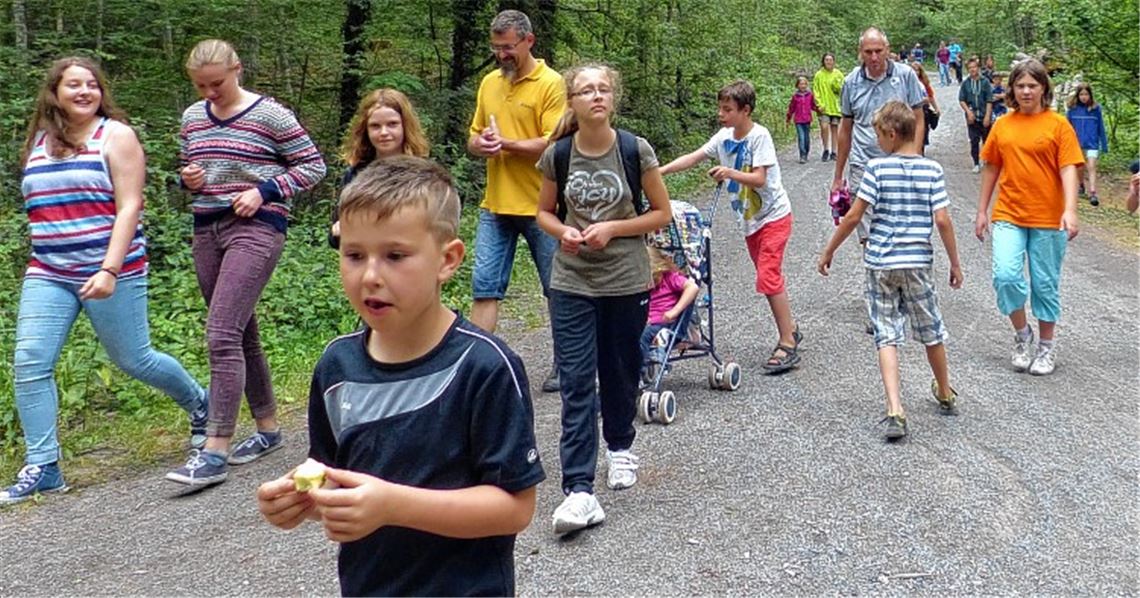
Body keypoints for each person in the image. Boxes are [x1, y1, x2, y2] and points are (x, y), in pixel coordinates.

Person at [256, 157, 543, 596]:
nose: (370, 275)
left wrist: (392, 506)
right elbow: (338, 477)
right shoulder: (336, 367)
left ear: (447, 260)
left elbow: (515, 508)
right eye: (354, 255)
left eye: (395, 256)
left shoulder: (483, 366)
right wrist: (302, 499)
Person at [1, 57, 208, 505]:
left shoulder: (116, 136)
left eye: (91, 84)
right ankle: (45, 466)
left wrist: (109, 269)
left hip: (111, 267)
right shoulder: (40, 141)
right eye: (73, 84)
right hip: (48, 271)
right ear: (54, 92)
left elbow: (130, 207)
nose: (83, 91)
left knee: (135, 359)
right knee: (30, 361)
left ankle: (201, 405)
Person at [167, 39, 327, 486]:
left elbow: (313, 166)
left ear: (237, 69)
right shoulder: (193, 118)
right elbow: (191, 168)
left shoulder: (270, 114)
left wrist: (265, 191)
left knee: (220, 333)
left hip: (257, 227)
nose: (208, 93)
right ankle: (268, 428)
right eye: (200, 86)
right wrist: (187, 178)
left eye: (216, 83)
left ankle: (213, 449)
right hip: (207, 227)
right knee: (241, 329)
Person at [535, 63, 672, 536]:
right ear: (571, 101)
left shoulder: (635, 150)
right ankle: (577, 487)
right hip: (571, 279)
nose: (595, 97)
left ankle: (619, 446)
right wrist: (564, 232)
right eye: (585, 91)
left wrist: (613, 227)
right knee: (575, 380)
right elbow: (543, 213)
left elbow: (661, 213)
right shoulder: (558, 154)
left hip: (625, 278)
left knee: (619, 369)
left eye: (602, 90)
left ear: (613, 99)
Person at [818, 101, 963, 440]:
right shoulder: (932, 170)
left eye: (879, 135)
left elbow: (854, 216)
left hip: (881, 264)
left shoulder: (876, 169)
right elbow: (942, 220)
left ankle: (895, 409)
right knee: (931, 329)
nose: (877, 141)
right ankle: (944, 390)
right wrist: (955, 263)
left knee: (886, 334)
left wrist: (829, 250)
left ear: (893, 134)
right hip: (916, 263)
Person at [662, 80, 803, 374]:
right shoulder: (724, 137)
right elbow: (694, 157)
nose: (721, 114)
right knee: (769, 277)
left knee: (768, 275)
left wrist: (729, 172)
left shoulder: (759, 136)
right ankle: (790, 327)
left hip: (774, 216)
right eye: (720, 108)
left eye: (727, 109)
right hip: (751, 223)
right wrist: (658, 171)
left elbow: (760, 178)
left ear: (745, 110)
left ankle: (787, 342)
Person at [467, 9, 566, 392]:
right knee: (485, 285)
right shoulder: (489, 82)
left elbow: (553, 142)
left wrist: (505, 144)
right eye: (496, 48)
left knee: (557, 287)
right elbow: (473, 137)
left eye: (508, 47)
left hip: (542, 205)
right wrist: (481, 144)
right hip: (495, 204)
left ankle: (567, 363)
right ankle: (472, 366)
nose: (501, 55)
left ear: (528, 41)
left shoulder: (552, 84)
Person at [975, 59, 1083, 376]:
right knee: (1006, 276)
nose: (1025, 91)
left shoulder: (1058, 125)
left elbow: (1069, 168)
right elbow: (991, 166)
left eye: (1032, 86)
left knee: (1045, 285)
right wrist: (982, 210)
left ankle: (1046, 348)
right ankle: (1022, 335)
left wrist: (1070, 209)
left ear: (1043, 89)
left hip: (1049, 217)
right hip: (1009, 212)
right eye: (1020, 85)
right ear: (1012, 89)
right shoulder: (1003, 125)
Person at [831, 27, 926, 242]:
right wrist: (838, 176)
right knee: (869, 233)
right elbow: (846, 128)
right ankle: (874, 269)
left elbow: (919, 118)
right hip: (863, 163)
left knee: (899, 226)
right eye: (868, 52)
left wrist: (916, 155)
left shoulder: (905, 76)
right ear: (860, 52)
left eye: (878, 51)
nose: (874, 57)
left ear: (887, 49)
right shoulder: (851, 82)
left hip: (900, 161)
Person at [329, 87, 430, 247]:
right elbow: (335, 236)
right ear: (365, 130)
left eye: (392, 124)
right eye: (375, 126)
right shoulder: (355, 174)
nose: (384, 132)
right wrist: (340, 230)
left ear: (405, 126)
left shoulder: (423, 175)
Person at [640, 246, 700, 381]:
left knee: (643, 336)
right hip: (646, 322)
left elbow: (693, 287)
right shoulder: (641, 286)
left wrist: (675, 310)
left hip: (666, 324)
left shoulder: (669, 278)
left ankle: (638, 373)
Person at [1065, 82, 1108, 207]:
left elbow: (1101, 127)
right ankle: (1081, 184)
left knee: (1092, 166)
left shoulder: (1095, 109)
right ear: (1077, 96)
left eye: (1086, 94)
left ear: (1090, 95)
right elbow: (1067, 128)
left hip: (1092, 143)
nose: (1084, 97)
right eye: (1081, 94)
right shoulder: (1072, 110)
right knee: (1080, 166)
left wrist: (1104, 144)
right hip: (1077, 143)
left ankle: (1093, 192)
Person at [958, 57, 993, 173]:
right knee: (973, 140)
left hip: (984, 114)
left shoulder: (985, 82)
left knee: (986, 140)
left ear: (978, 68)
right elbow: (962, 99)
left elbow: (989, 100)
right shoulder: (966, 83)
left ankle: (986, 159)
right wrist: (968, 112)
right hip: (972, 116)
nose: (973, 70)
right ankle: (976, 162)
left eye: (974, 67)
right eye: (970, 68)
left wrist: (988, 116)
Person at [812, 53, 845, 161]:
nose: (829, 62)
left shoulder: (838, 74)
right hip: (824, 106)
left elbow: (843, 89)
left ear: (834, 61)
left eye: (830, 60)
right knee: (824, 127)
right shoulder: (819, 75)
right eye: (826, 60)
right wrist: (819, 104)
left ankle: (834, 151)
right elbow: (815, 90)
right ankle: (826, 148)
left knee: (835, 129)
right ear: (823, 61)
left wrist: (837, 85)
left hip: (835, 106)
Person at [785, 75, 819, 164]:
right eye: (801, 84)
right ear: (797, 85)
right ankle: (802, 155)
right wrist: (788, 118)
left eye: (804, 84)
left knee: (806, 138)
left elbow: (812, 106)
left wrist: (819, 110)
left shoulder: (810, 95)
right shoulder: (795, 96)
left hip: (807, 119)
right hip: (798, 120)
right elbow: (791, 108)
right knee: (801, 137)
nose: (803, 86)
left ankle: (806, 152)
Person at [911, 61, 940, 152]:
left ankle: (921, 149)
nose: (916, 72)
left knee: (923, 130)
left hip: (923, 110)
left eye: (917, 70)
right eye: (913, 70)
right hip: (911, 110)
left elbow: (930, 96)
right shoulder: (907, 82)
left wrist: (936, 108)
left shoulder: (924, 82)